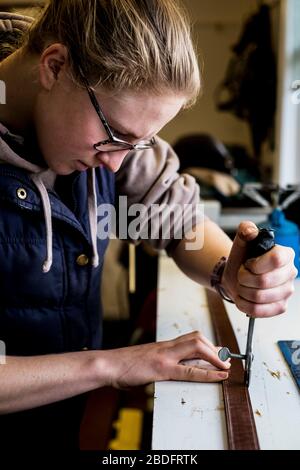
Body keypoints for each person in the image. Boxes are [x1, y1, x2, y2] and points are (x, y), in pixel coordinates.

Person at [0, 1, 296, 451]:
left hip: (58, 417)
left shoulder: (98, 123)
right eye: (115, 135)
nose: (116, 163)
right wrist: (113, 366)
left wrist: (229, 273)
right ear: (55, 66)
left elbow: (178, 222)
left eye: (138, 145)